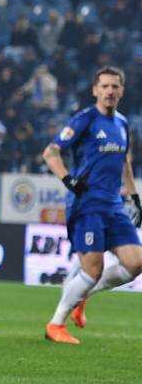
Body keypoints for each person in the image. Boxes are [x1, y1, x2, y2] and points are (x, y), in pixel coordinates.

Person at [42, 67, 141, 344]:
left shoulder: (122, 124)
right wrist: (68, 179)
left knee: (136, 263)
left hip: (113, 205)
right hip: (86, 205)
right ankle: (55, 325)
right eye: (105, 86)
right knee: (92, 269)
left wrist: (134, 196)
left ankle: (83, 295)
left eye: (115, 87)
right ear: (95, 90)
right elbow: (50, 152)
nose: (110, 91)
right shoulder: (85, 119)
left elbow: (125, 162)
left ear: (121, 91)